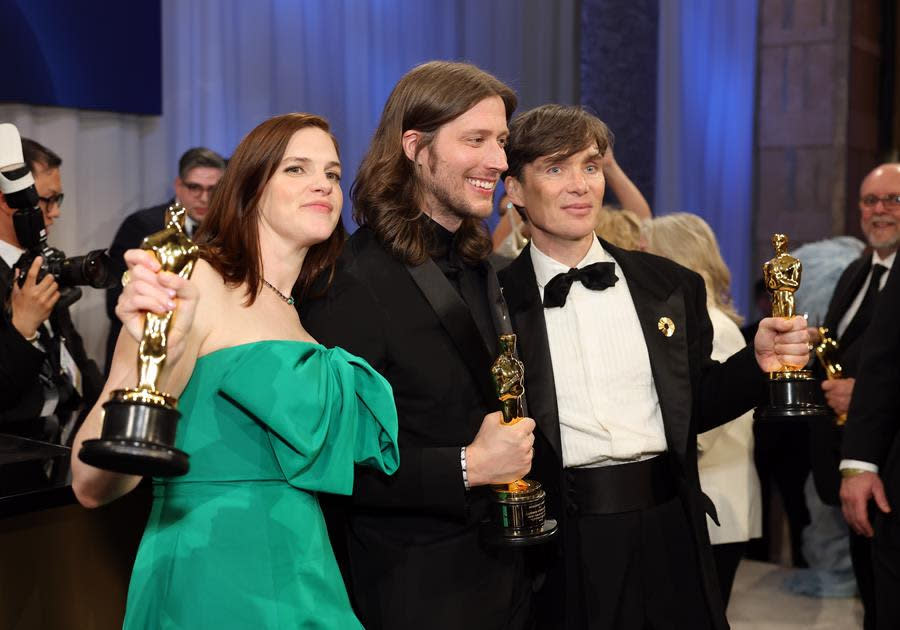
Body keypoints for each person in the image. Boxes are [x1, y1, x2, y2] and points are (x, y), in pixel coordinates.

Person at [71, 113, 399, 629]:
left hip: (305, 567)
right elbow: (91, 485)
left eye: (332, 174)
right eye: (296, 169)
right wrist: (142, 347)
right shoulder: (196, 279)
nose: (322, 184)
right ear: (250, 187)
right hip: (212, 576)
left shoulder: (298, 312)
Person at [497, 104, 809, 630]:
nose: (580, 185)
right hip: (560, 540)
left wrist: (757, 365)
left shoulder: (669, 285)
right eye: (555, 168)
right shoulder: (495, 299)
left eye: (591, 167)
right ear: (516, 189)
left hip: (670, 525)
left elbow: (696, 402)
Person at [300, 61, 536, 630]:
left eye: (501, 142)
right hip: (412, 587)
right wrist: (468, 466)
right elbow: (331, 463)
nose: (500, 162)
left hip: (506, 570)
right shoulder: (353, 279)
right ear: (415, 145)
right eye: (475, 140)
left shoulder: (479, 264)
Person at [644, 212, 762, 606]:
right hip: (704, 501)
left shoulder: (715, 326)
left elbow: (708, 417)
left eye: (646, 254)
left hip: (716, 503)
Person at [0, 137, 102, 448]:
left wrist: (108, 410)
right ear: (8, 200)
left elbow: (74, 353)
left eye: (60, 199)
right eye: (48, 200)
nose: (55, 213)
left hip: (63, 437)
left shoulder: (43, 262)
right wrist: (22, 328)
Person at [837, 163, 900, 630]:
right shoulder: (854, 273)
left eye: (893, 200)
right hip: (870, 467)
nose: (880, 210)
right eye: (870, 200)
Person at [104, 147, 226, 370]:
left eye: (214, 189)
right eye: (195, 188)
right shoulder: (142, 226)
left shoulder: (228, 231)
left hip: (206, 354)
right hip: (142, 349)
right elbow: (115, 298)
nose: (205, 198)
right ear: (179, 186)